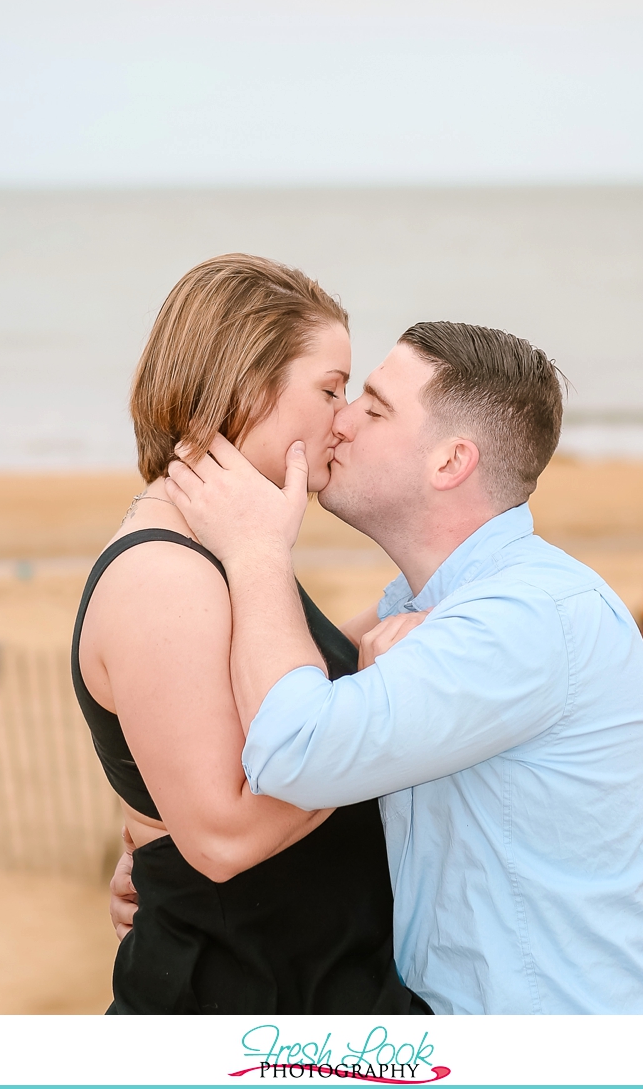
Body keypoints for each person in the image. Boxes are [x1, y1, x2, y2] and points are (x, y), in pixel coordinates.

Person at [160, 320, 643, 1016]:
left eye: (373, 409)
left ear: (449, 462)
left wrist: (257, 552)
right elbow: (277, 701)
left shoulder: (523, 620)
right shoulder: (432, 606)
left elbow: (293, 748)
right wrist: (168, 866)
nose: (340, 423)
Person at [72, 253, 426, 1015]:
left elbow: (283, 681)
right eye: (330, 388)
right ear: (244, 386)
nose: (345, 416)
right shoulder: (163, 576)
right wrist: (386, 710)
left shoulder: (230, 549)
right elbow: (223, 836)